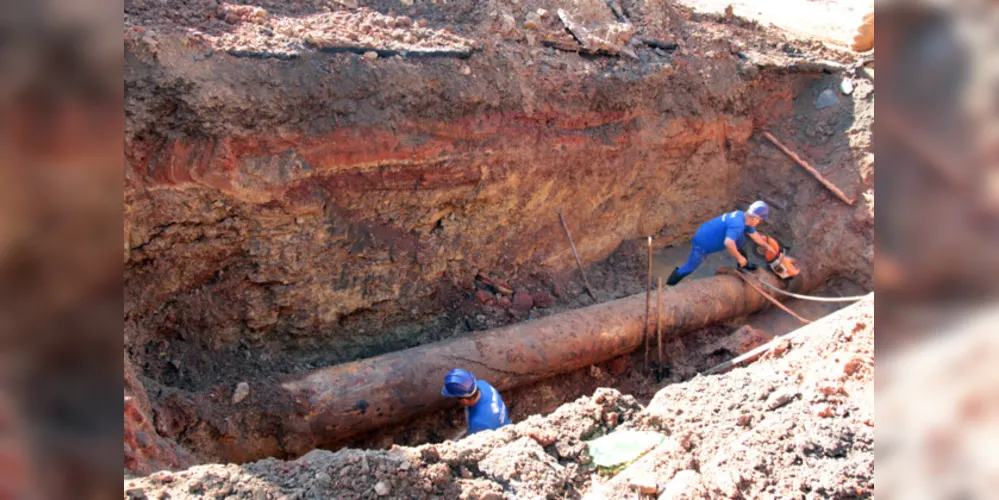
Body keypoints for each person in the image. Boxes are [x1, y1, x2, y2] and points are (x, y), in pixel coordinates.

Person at [666, 201, 772, 286]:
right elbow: (729, 243)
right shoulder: (738, 224)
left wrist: (766, 246)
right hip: (703, 243)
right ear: (754, 217)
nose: (759, 222)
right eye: (760, 220)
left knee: (741, 238)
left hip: (707, 231)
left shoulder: (743, 217)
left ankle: (743, 267)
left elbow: (754, 234)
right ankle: (669, 285)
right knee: (689, 267)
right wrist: (740, 257)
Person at [441, 368, 510, 436]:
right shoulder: (483, 384)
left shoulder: (478, 422)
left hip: (498, 436)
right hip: (504, 424)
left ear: (464, 401)